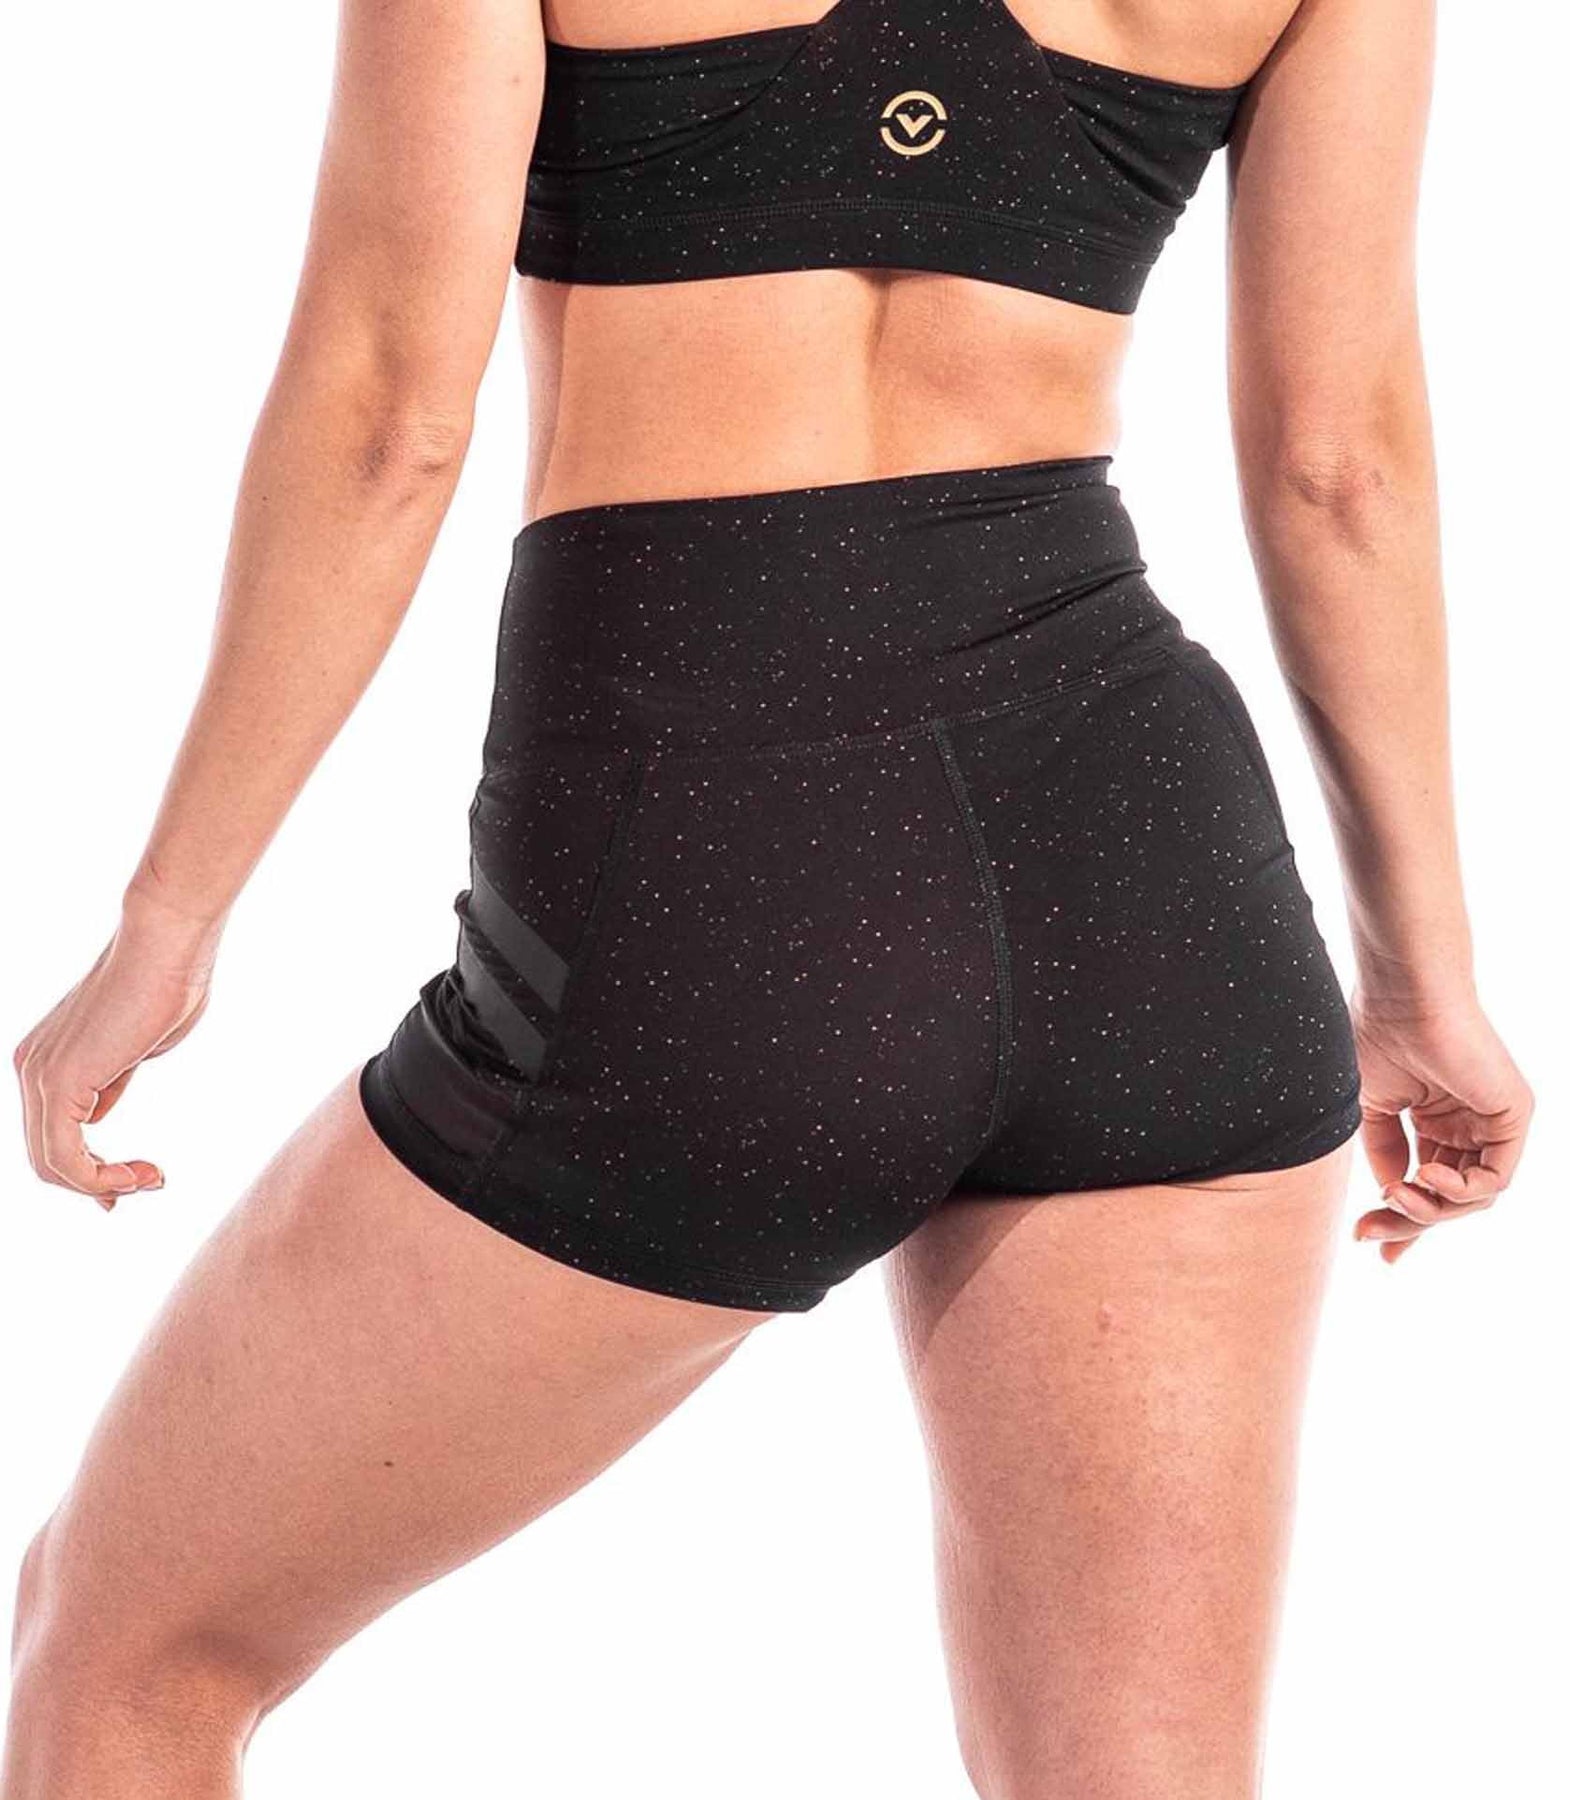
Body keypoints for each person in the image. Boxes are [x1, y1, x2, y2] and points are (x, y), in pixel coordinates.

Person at [6, 0, 1534, 1793]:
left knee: (127, 1653)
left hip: (711, 862)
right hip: (1155, 881)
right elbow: (1340, 466)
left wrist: (170, 921)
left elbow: (386, 420)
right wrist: (1422, 978)